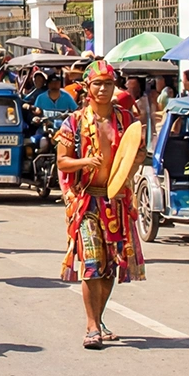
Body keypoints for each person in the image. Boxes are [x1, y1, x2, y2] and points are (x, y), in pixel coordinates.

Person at [55, 60, 146, 349]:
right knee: (92, 264)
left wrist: (126, 174)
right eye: (98, 84)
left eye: (108, 83)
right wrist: (86, 161)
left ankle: (100, 318)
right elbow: (62, 161)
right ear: (87, 88)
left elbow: (138, 154)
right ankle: (91, 326)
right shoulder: (74, 121)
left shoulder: (126, 121)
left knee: (109, 267)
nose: (104, 89)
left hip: (117, 201)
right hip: (86, 201)